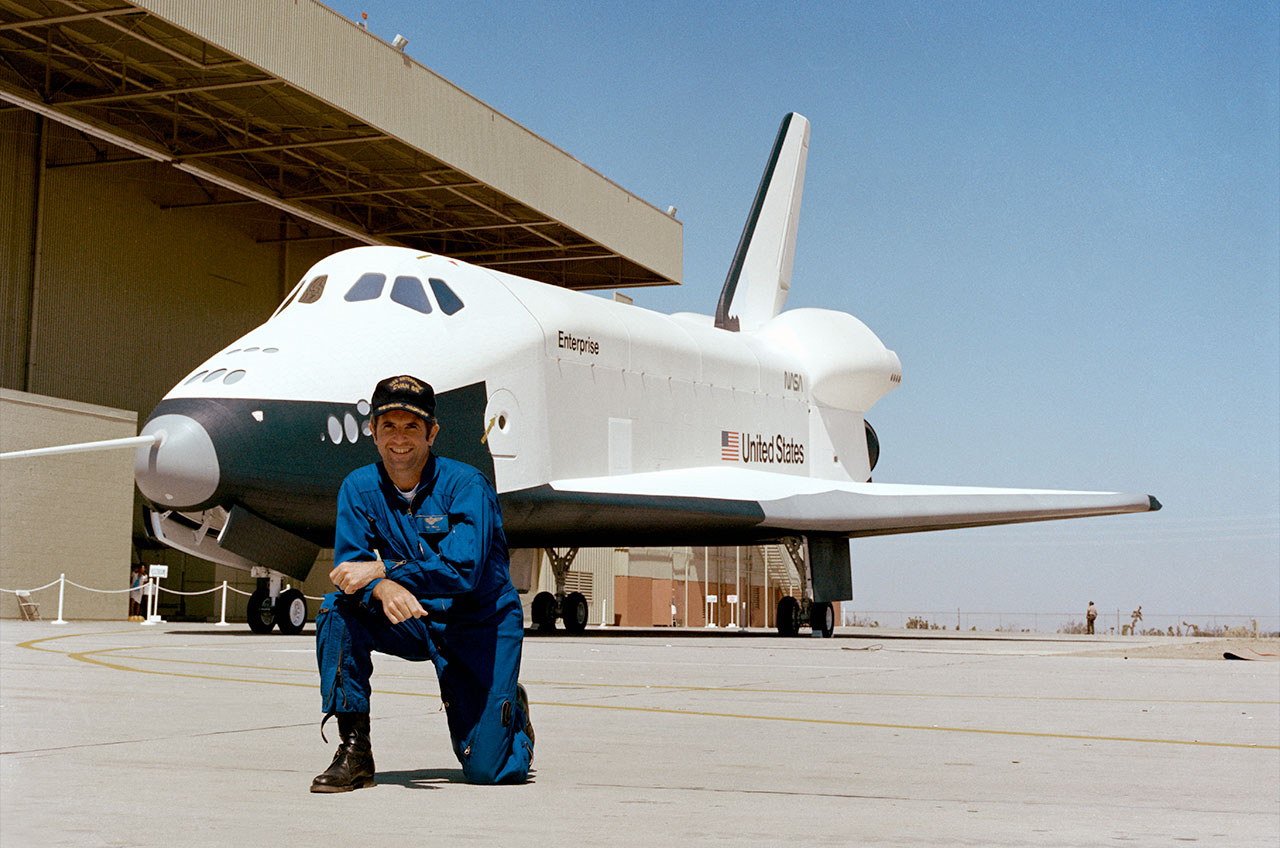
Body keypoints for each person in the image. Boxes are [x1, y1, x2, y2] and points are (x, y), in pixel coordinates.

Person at [312, 375, 533, 792]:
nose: (399, 438)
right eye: (388, 426)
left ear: (431, 433)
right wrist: (380, 588)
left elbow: (463, 570)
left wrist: (383, 572)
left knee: (490, 771)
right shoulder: (358, 489)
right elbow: (349, 572)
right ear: (372, 432)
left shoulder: (467, 486)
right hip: (415, 618)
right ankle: (355, 750)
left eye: (411, 426)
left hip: (479, 624)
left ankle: (512, 718)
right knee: (337, 611)